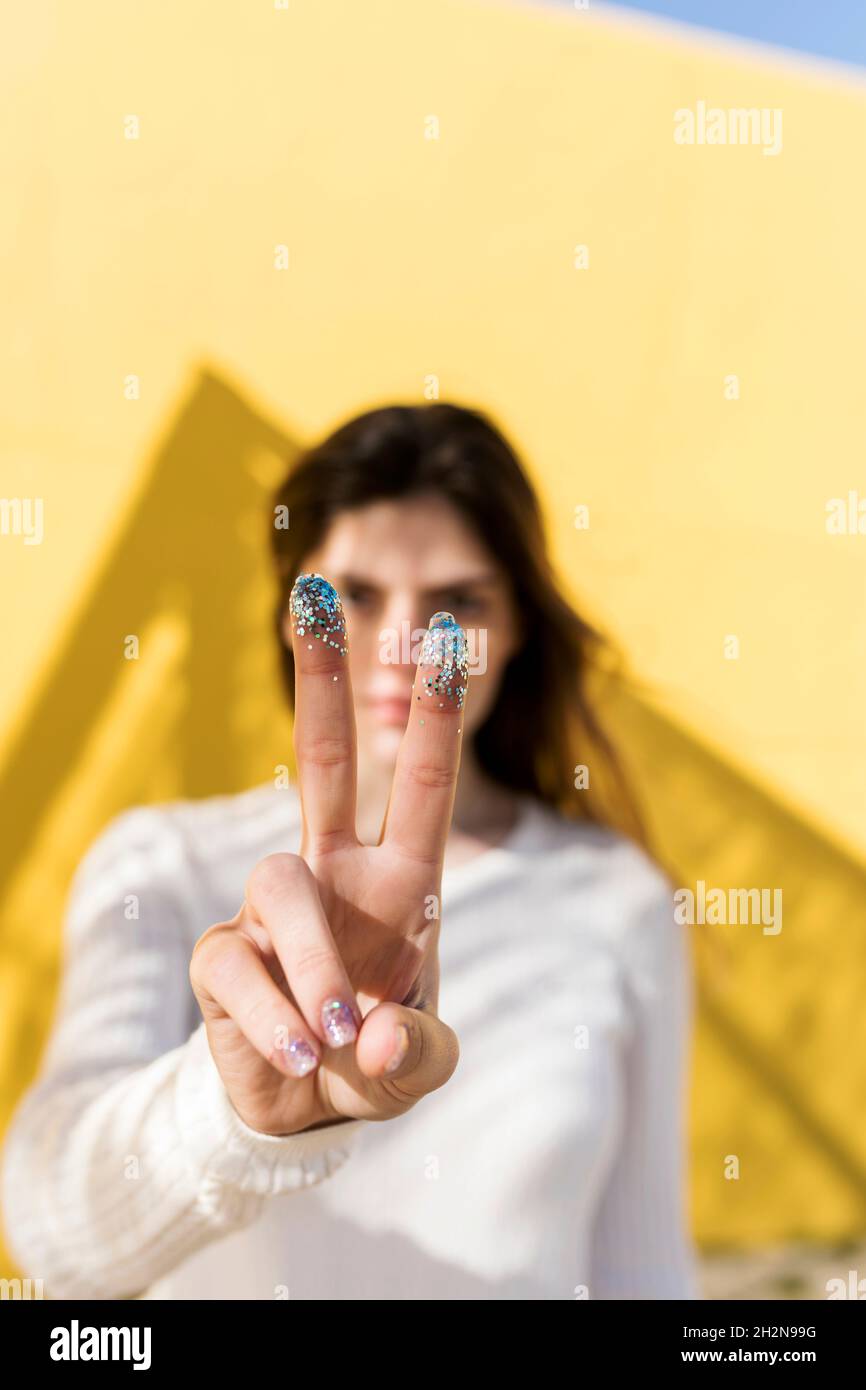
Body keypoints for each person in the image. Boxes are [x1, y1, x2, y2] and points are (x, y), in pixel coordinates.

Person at [0, 402, 702, 1300]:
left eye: (459, 602)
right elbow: (55, 1232)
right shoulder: (159, 866)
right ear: (296, 614)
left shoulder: (617, 902)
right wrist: (235, 1111)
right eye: (354, 597)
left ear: (519, 627)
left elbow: (645, 1275)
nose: (408, 645)